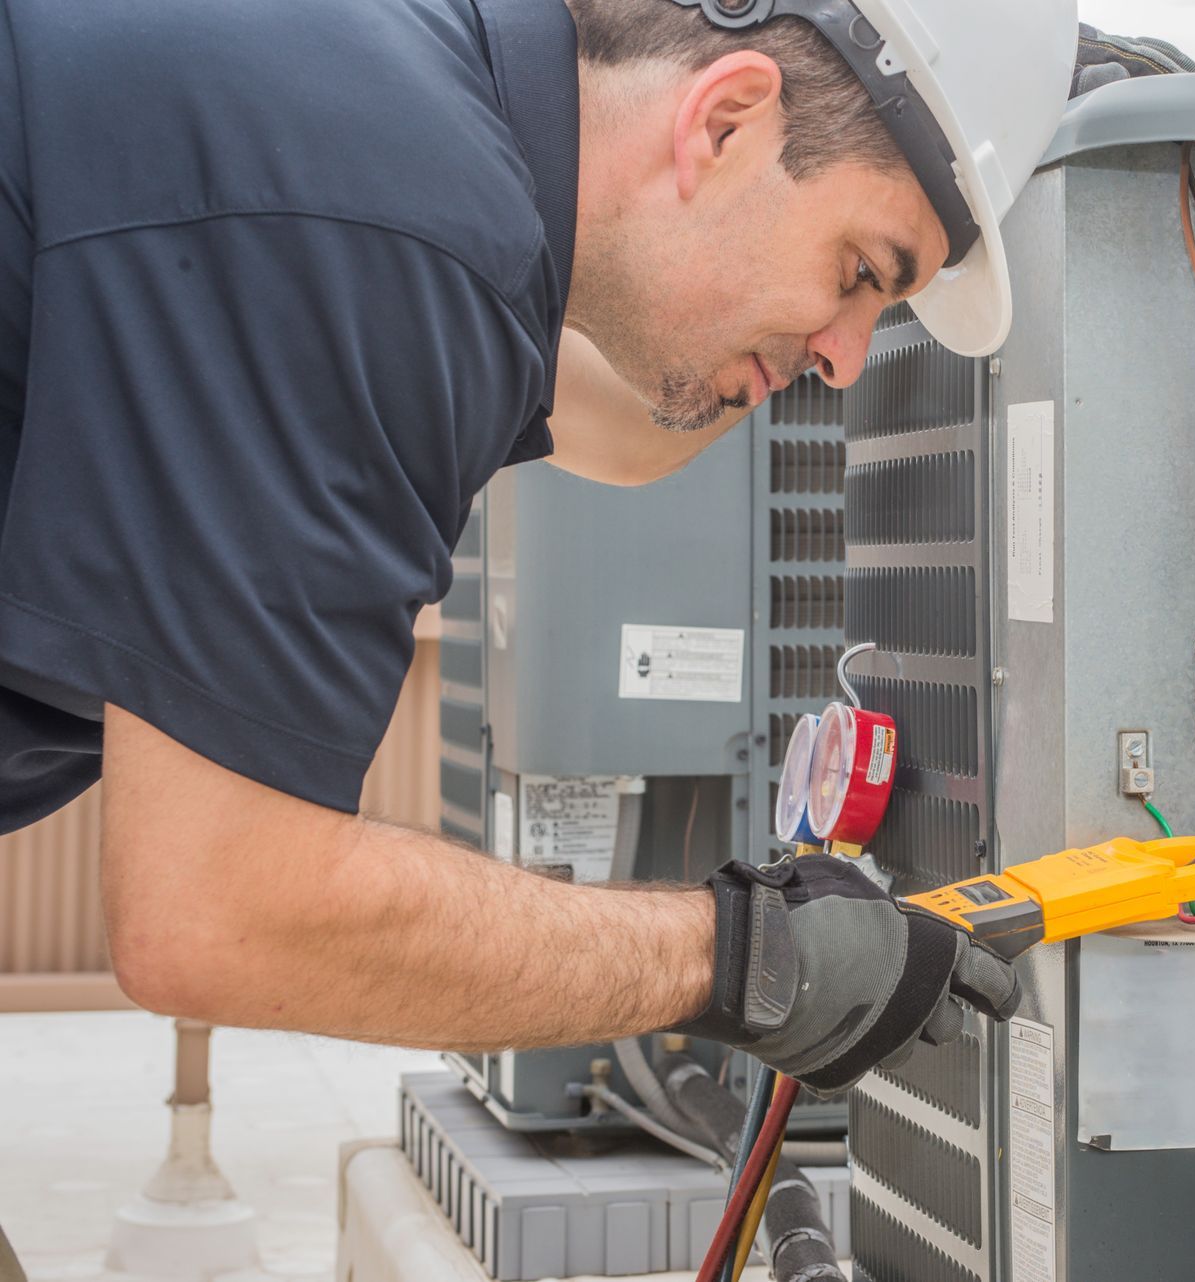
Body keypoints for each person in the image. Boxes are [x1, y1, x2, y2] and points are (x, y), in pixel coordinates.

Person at [0, 0, 1082, 1124]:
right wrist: (747, 957)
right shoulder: (389, 211)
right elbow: (219, 908)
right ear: (725, 121)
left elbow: (620, 427)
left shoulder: (404, 112)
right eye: (861, 270)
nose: (847, 361)